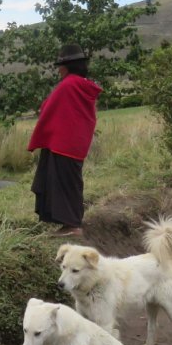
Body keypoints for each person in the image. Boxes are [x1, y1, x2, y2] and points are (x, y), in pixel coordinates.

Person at [28, 44, 102, 237]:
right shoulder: (81, 84)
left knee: (66, 184)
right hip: (74, 143)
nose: (59, 69)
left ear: (69, 66)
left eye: (61, 65)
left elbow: (48, 110)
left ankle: (73, 225)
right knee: (71, 183)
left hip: (63, 144)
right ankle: (70, 223)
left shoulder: (68, 84)